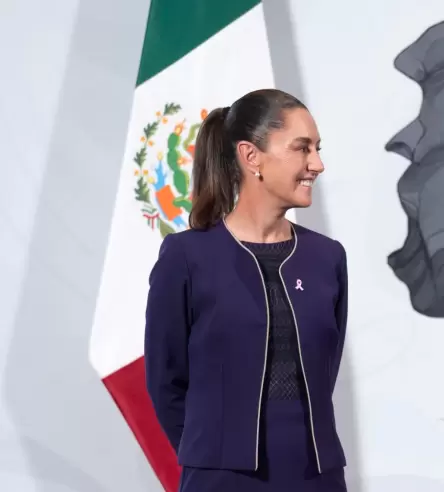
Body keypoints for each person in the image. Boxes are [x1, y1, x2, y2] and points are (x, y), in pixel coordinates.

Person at [144, 88, 349, 490]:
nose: (317, 164)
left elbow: (326, 371)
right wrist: (211, 452)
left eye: (317, 149)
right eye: (302, 148)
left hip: (318, 477)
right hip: (221, 479)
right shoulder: (186, 256)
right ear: (251, 156)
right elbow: (165, 383)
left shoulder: (328, 258)